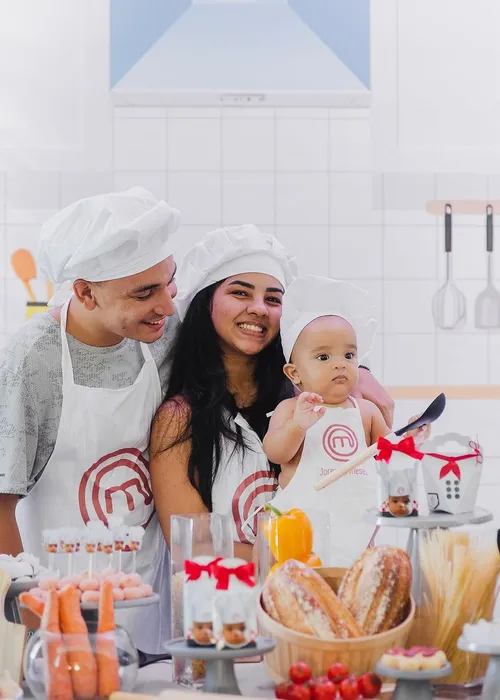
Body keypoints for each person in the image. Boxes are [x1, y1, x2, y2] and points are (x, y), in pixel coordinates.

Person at [0, 187, 180, 653]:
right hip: (58, 617)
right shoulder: (31, 359)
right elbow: (1, 504)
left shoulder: (160, 335)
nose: (168, 305)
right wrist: (32, 622)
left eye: (170, 282)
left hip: (146, 609)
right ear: (84, 291)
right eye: (146, 293)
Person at [150, 233, 396, 561]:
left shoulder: (309, 404)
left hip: (323, 590)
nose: (259, 309)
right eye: (240, 292)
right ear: (204, 301)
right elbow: (192, 546)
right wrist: (294, 562)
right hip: (229, 603)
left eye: (274, 299)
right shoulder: (179, 418)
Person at [263, 275, 429, 565]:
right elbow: (276, 453)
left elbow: (387, 454)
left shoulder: (365, 411)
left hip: (358, 528)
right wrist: (298, 426)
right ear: (294, 374)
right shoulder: (290, 409)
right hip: (300, 534)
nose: (340, 363)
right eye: (323, 357)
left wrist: (409, 438)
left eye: (349, 354)